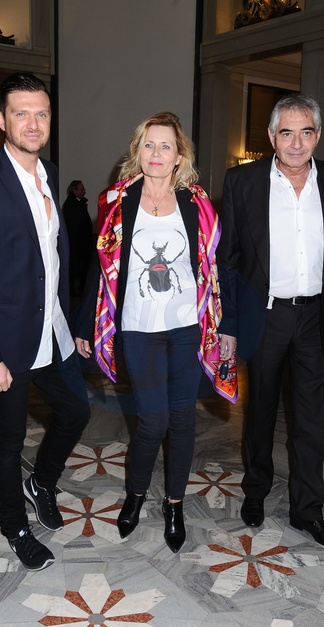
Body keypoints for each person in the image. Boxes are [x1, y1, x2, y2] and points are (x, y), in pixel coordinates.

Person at [73, 112, 237, 553]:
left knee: (182, 420)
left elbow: (216, 267)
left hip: (186, 328)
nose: (157, 153)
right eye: (149, 144)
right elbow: (100, 264)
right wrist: (84, 321)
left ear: (180, 155)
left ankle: (175, 504)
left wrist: (227, 324)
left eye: (166, 145)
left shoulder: (196, 202)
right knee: (152, 421)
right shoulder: (117, 200)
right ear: (137, 151)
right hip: (139, 328)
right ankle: (136, 493)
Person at [0, 72, 91, 571]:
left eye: (41, 113)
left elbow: (53, 260)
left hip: (52, 330)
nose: (33, 124)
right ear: (1, 119)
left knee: (76, 411)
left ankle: (42, 482)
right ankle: (15, 527)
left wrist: (72, 323)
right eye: (21, 114)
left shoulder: (49, 173)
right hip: (8, 342)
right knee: (7, 441)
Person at [218, 93, 324, 550]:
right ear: (271, 137)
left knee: (312, 418)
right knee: (260, 411)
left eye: (306, 132)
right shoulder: (243, 181)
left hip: (319, 318)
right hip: (265, 316)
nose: (296, 143)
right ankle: (255, 492)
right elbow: (228, 260)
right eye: (287, 132)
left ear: (318, 136)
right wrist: (229, 322)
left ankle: (308, 511)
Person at [62, 179, 94, 296]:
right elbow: (75, 226)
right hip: (77, 243)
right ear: (74, 190)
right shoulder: (72, 205)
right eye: (81, 189)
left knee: (80, 267)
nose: (84, 191)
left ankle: (78, 289)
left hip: (81, 242)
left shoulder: (78, 203)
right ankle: (73, 290)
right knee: (75, 267)